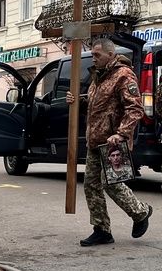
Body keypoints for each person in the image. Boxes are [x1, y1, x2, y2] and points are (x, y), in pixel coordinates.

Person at [64, 39, 152, 247]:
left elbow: (135, 109)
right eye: (93, 55)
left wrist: (121, 134)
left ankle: (141, 212)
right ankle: (101, 230)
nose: (93, 58)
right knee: (91, 186)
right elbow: (99, 105)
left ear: (111, 55)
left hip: (113, 142)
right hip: (95, 139)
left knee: (110, 183)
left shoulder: (123, 75)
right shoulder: (98, 76)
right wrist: (78, 101)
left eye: (97, 55)